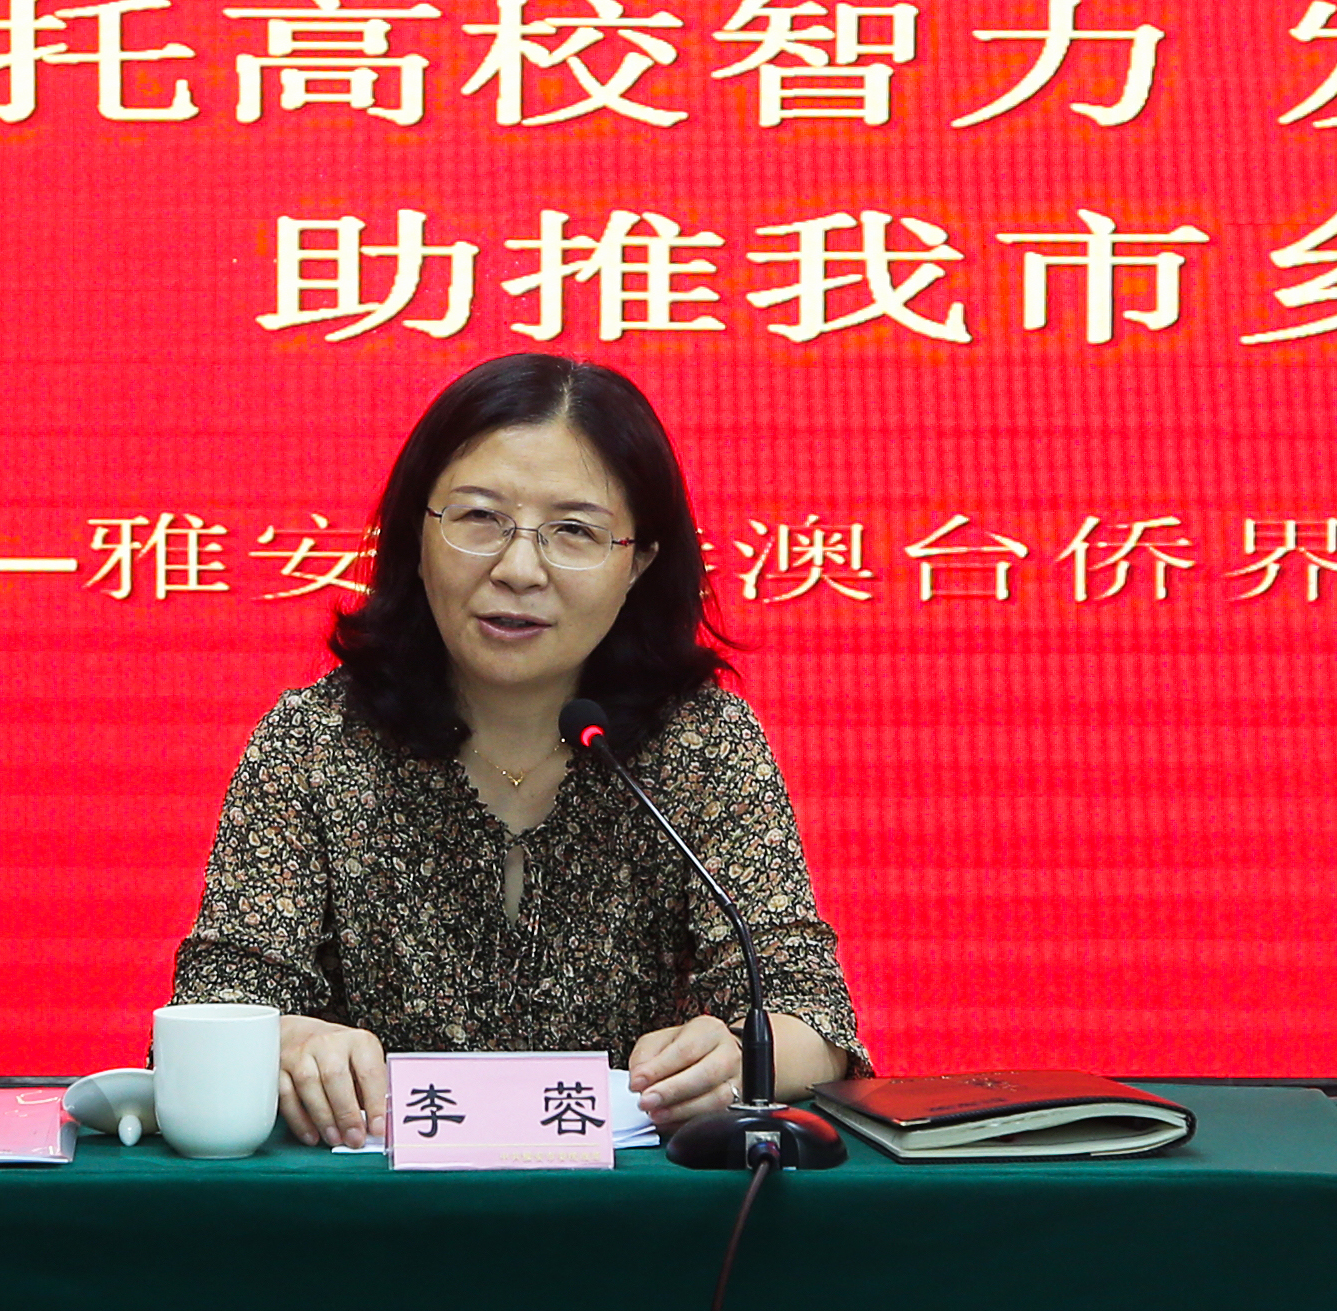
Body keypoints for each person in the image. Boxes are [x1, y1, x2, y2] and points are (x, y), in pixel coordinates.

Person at [170, 354, 869, 1149]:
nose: (519, 569)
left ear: (639, 562)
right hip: (368, 1209)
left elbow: (813, 1018)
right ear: (416, 535)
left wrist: (739, 1058)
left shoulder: (703, 744)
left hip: (632, 1211)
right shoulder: (313, 742)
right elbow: (213, 1004)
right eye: (479, 518)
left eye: (574, 531)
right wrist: (288, 1041)